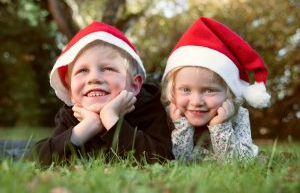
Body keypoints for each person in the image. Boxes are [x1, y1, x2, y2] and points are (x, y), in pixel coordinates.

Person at [33, 21, 173, 165]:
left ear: (134, 85)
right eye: (82, 71)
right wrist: (86, 127)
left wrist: (111, 119)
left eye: (108, 69)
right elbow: (40, 158)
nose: (94, 78)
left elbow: (162, 158)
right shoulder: (70, 115)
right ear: (70, 89)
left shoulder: (148, 107)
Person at [161, 16, 271, 162]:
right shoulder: (170, 115)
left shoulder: (238, 116)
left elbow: (240, 163)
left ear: (229, 93)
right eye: (186, 90)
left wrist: (221, 127)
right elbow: (177, 162)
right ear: (172, 91)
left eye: (209, 90)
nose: (196, 101)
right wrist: (182, 128)